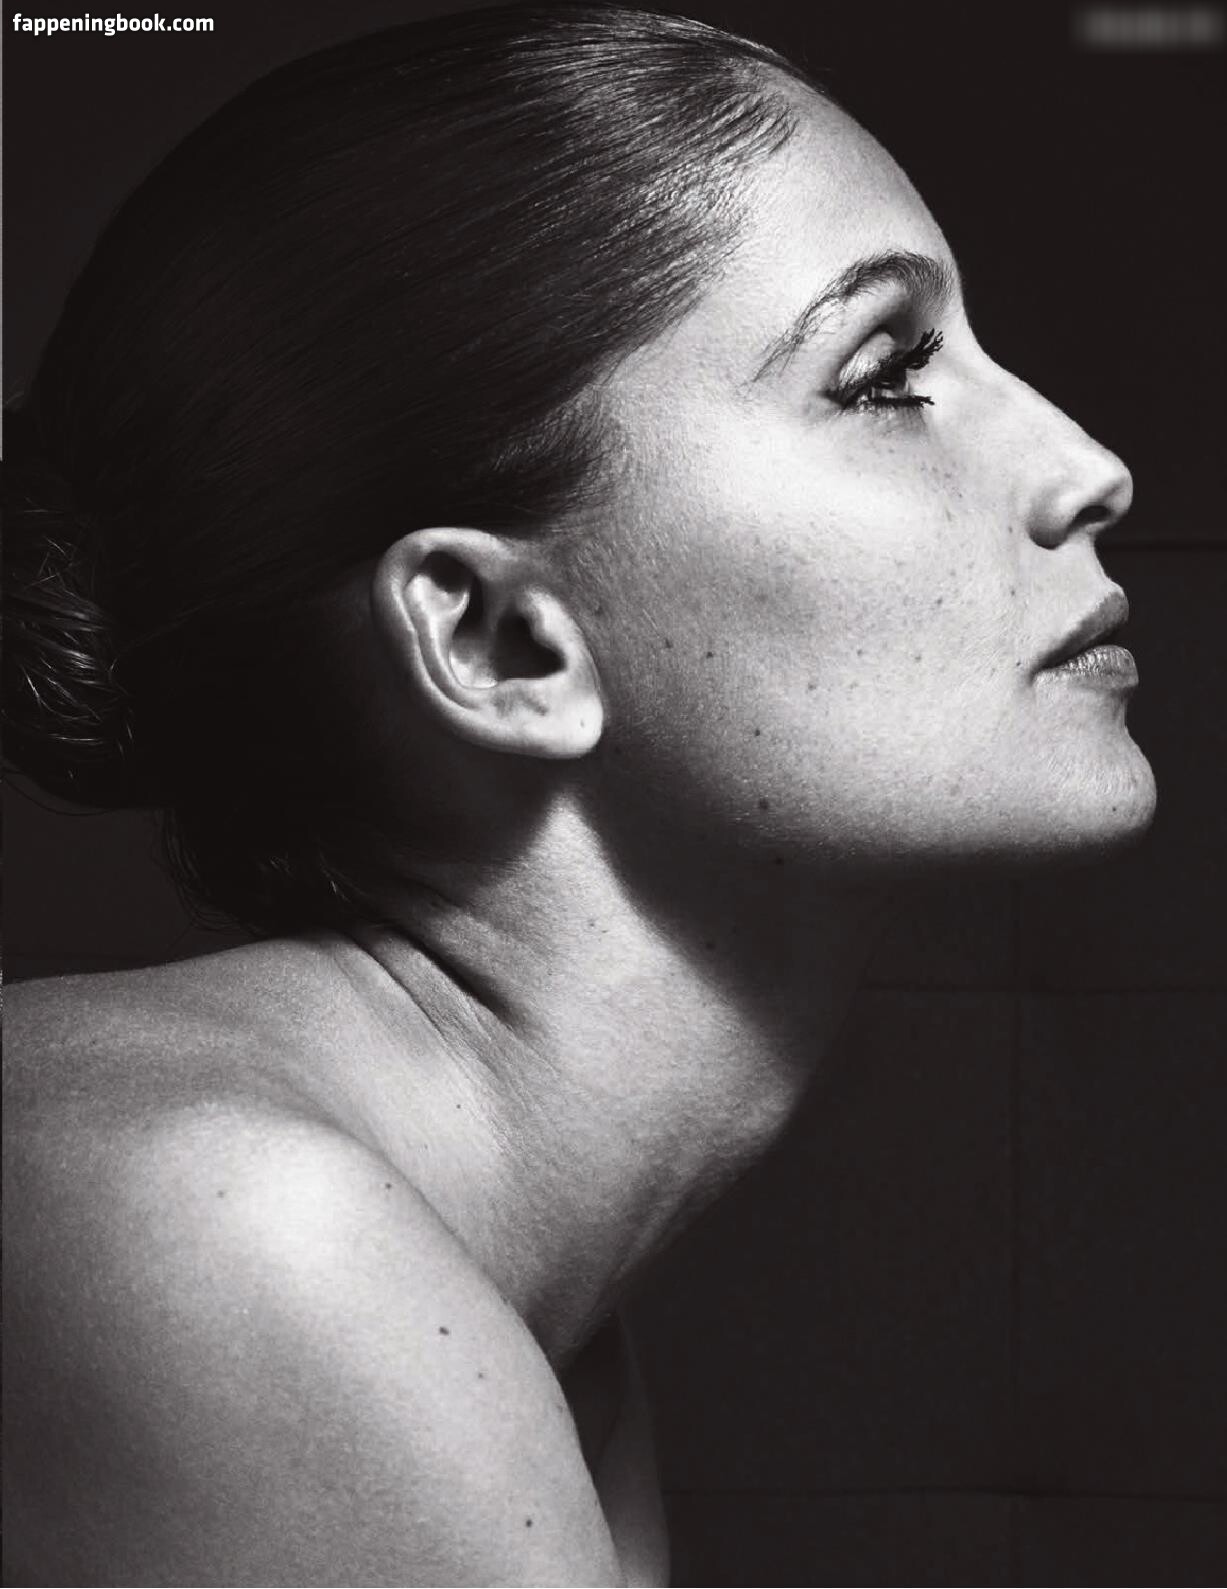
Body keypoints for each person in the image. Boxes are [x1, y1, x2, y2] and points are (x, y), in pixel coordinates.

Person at [1, 3, 1157, 1584]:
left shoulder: (532, 1318)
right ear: (499, 640)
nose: (1089, 467)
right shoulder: (231, 1228)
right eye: (886, 373)